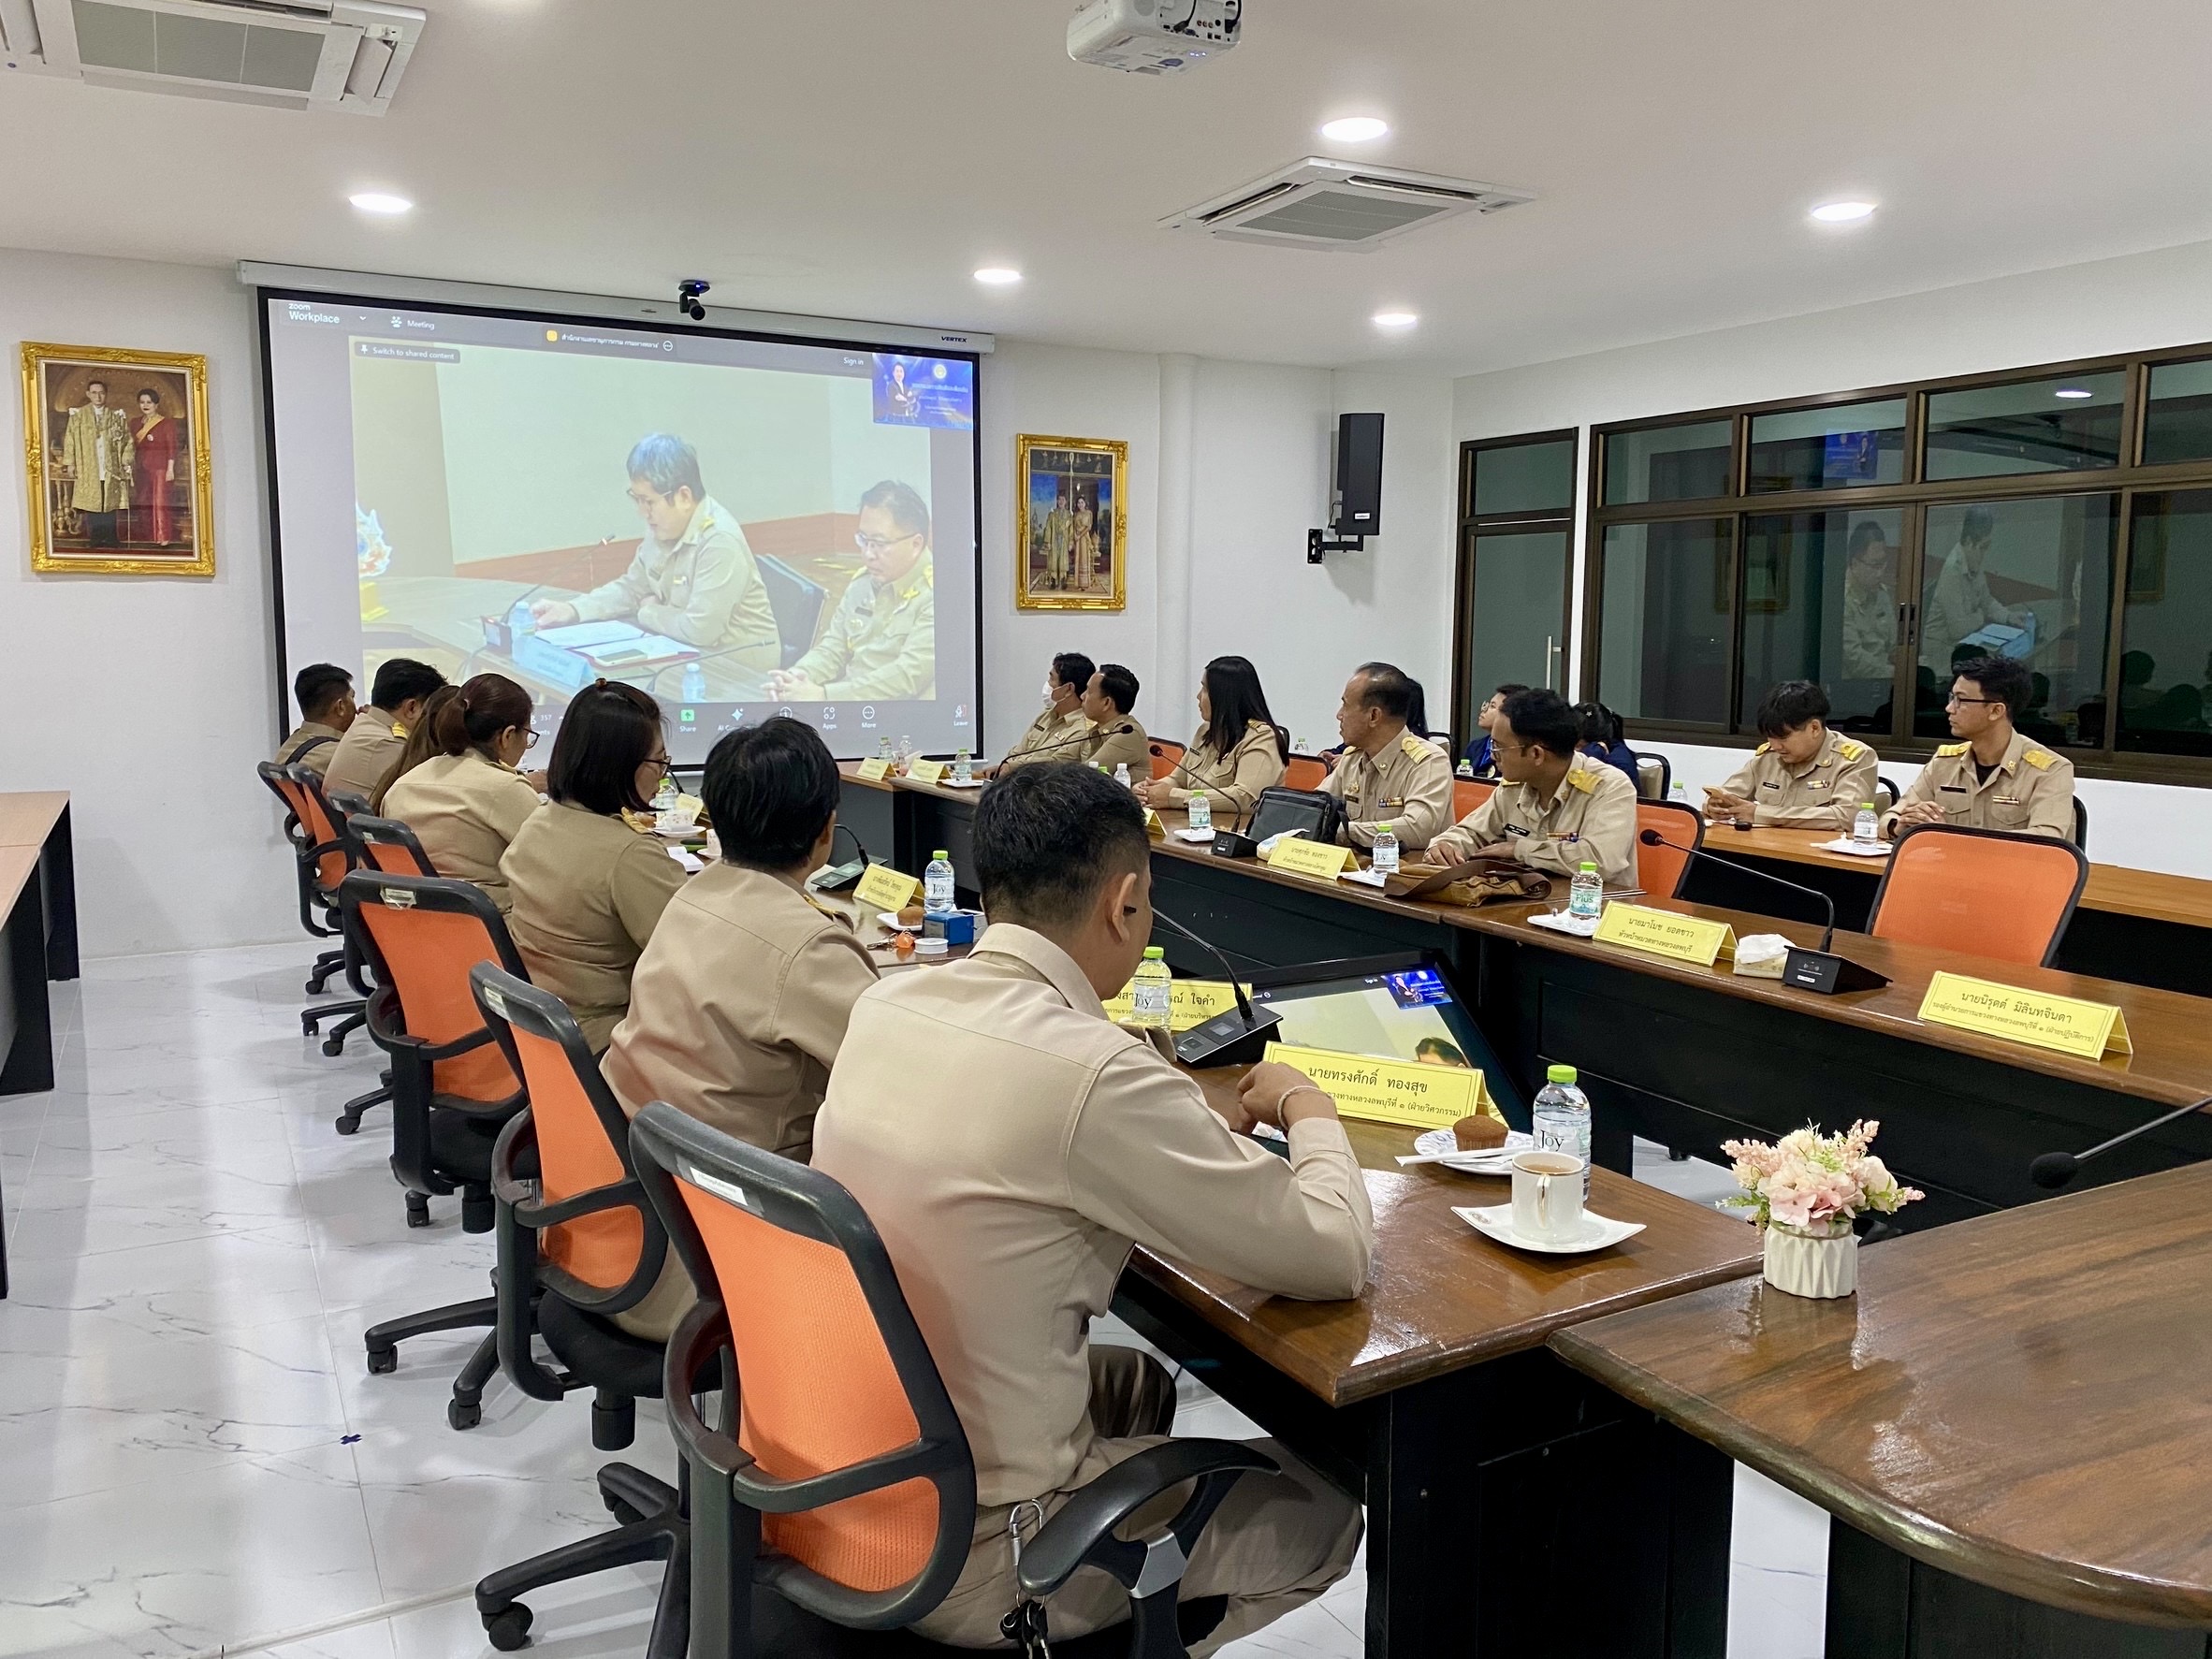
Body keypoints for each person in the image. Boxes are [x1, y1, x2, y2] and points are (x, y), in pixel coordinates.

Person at [812, 762, 1370, 1652]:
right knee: (1331, 1509)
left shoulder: (889, 1000)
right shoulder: (1095, 1073)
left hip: (839, 1470)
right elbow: (1333, 1250)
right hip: (968, 1549)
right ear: (1125, 903)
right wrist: (1310, 1109)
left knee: (1137, 1385)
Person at [599, 718, 879, 1344]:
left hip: (638, 1210)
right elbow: (902, 1078)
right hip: (732, 1235)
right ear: (826, 829)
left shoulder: (692, 895)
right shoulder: (805, 945)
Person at [500, 682, 688, 1052]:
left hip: (540, 1030)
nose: (662, 775)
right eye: (658, 762)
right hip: (608, 1041)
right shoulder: (630, 854)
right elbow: (690, 958)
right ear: (618, 765)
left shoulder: (540, 821)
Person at [530, 434, 781, 669]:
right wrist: (573, 610)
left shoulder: (719, 541)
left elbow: (700, 630)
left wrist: (648, 612)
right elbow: (632, 588)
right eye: (637, 499)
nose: (642, 511)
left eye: (648, 501)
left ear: (683, 497)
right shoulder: (664, 527)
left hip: (737, 671)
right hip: (686, 654)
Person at [1422, 687, 1639, 886]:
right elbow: (1472, 832)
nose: (1492, 756)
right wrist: (1446, 845)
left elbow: (1600, 861)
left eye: (1498, 747)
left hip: (1591, 908)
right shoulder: (1513, 786)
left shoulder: (1609, 787)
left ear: (1536, 754)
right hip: (1524, 903)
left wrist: (1520, 850)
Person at [379, 673, 543, 911]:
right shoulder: (504, 788)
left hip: (417, 924)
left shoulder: (402, 785)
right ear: (507, 736)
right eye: (527, 735)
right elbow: (556, 863)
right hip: (492, 925)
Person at [765, 480, 937, 701]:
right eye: (863, 540)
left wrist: (825, 696)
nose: (868, 554)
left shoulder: (938, 595)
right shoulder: (863, 583)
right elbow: (833, 648)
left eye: (879, 543)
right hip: (847, 700)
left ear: (916, 544)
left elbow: (907, 676)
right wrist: (797, 677)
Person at [1883, 655, 2076, 842]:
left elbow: (2047, 840)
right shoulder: (1945, 762)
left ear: (1996, 711)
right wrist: (1900, 826)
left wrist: (1950, 837)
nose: (1949, 708)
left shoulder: (2049, 770)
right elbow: (1889, 818)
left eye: (1961, 700)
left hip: (2010, 866)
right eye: (1951, 697)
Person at [1705, 681, 1879, 831]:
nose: (1776, 746)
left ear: (1814, 728)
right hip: (1767, 847)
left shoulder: (1855, 758)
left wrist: (1761, 814)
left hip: (1818, 854)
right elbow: (1729, 794)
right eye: (1770, 737)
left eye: (1783, 737)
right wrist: (1715, 806)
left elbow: (1848, 816)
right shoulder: (1768, 756)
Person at [1317, 662, 1455, 851]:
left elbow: (1418, 829)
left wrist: (1342, 832)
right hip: (1358, 864)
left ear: (1374, 716)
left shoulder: (1428, 761)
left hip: (1405, 866)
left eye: (1346, 706)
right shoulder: (1352, 757)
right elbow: (1317, 807)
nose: (1339, 715)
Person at [1134, 655, 1288, 818]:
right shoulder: (1205, 731)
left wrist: (1174, 797)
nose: (1198, 696)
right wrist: (1149, 790)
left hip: (1237, 828)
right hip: (1195, 824)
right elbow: (1179, 779)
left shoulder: (1261, 738)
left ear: (1225, 697)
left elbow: (1246, 798)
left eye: (1205, 690)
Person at [1921, 506, 2028, 675]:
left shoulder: (1973, 560)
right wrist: (1981, 616)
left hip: (1965, 643)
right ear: (1969, 542)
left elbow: (1986, 601)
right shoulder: (1952, 572)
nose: (1985, 553)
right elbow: (1958, 629)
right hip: (1942, 653)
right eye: (1983, 547)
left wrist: (2008, 616)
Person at [323, 658, 445, 802]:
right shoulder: (387, 744)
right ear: (411, 708)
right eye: (432, 712)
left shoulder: (365, 725)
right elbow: (432, 794)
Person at [991, 651, 1096, 775]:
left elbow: (1056, 764)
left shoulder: (1084, 728)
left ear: (1068, 689)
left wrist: (1012, 767)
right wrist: (1002, 767)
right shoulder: (1046, 715)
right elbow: (1017, 752)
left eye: (1052, 679)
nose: (1047, 684)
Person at [59, 378, 132, 549]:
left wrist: (125, 461)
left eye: (101, 393)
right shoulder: (78, 416)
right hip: (88, 465)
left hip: (110, 466)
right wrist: (71, 463)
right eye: (94, 393)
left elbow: (127, 441)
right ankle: (95, 538)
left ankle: (111, 538)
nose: (98, 397)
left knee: (109, 502)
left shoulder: (116, 416)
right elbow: (70, 440)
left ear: (106, 394)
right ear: (88, 394)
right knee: (93, 503)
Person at [275, 663, 357, 779]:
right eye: (352, 697)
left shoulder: (288, 747)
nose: (356, 708)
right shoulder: (341, 755)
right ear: (340, 707)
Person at [1841, 521, 1898, 683]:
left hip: (1887, 679)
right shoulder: (1842, 600)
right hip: (1857, 685)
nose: (1880, 573)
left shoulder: (1882, 593)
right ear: (1854, 563)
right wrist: (1896, 674)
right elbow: (1855, 661)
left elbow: (1894, 645)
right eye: (1874, 565)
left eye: (1883, 564)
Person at [129, 388, 182, 546]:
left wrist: (170, 469)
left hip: (160, 468)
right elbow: (130, 446)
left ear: (156, 405)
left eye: (149, 402)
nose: (145, 405)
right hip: (140, 468)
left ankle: (163, 536)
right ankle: (148, 535)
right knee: (143, 502)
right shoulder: (135, 423)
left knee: (160, 502)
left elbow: (172, 447)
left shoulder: (166, 423)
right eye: (142, 402)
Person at [1080, 662, 1148, 776]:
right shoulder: (1098, 729)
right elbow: (1061, 759)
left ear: (1106, 703)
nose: (1082, 696)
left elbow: (1085, 775)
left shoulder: (1128, 734)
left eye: (1088, 691)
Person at [1462, 682, 1528, 778]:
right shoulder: (1474, 746)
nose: (1484, 710)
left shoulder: (1515, 751)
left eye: (1492, 706)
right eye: (1487, 705)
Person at [1574, 701, 1639, 787]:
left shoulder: (1620, 766)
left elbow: (1580, 788)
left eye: (1576, 746)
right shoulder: (1608, 747)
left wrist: (1591, 760)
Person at [1042, 489, 1073, 590]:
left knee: (1063, 560)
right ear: (1057, 501)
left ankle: (1063, 580)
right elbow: (1048, 527)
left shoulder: (1069, 515)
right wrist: (1048, 541)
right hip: (1054, 540)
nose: (1061, 501)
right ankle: (1053, 580)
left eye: (1063, 500)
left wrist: (1071, 542)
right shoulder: (1052, 514)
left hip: (1064, 540)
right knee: (1054, 560)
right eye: (1059, 499)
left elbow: (1071, 530)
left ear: (1066, 501)